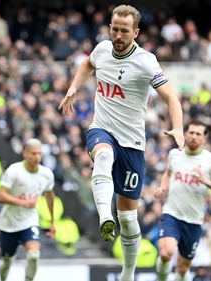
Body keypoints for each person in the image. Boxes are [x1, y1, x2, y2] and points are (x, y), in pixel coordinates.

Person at [58, 5, 184, 281]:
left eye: (123, 31)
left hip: (132, 143)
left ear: (135, 32)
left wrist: (178, 128)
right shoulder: (102, 49)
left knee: (129, 219)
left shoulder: (145, 61)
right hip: (101, 128)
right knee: (102, 156)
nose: (117, 35)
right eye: (114, 28)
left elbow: (172, 98)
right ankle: (105, 215)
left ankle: (128, 273)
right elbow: (86, 64)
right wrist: (73, 88)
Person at [154, 120, 211, 281]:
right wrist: (162, 187)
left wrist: (206, 181)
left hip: (194, 221)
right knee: (166, 253)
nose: (194, 137)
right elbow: (168, 172)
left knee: (182, 268)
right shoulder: (174, 154)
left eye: (198, 134)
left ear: (205, 138)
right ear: (186, 134)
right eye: (191, 133)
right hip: (172, 214)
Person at [0, 138, 56, 281]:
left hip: (30, 221)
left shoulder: (46, 174)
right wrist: (22, 203)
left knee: (34, 255)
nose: (37, 157)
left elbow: (49, 197)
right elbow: (0, 196)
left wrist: (53, 221)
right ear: (25, 153)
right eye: (33, 153)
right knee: (7, 262)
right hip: (9, 223)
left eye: (39, 154)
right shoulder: (14, 171)